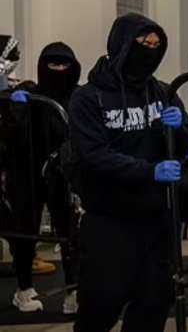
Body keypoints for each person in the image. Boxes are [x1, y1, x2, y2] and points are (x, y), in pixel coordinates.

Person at [70, 14, 188, 332]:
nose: (150, 51)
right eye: (143, 43)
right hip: (109, 220)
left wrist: (180, 129)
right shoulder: (88, 98)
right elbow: (94, 155)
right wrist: (149, 171)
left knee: (153, 303)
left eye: (156, 45)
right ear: (122, 44)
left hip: (155, 219)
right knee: (100, 305)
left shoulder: (164, 92)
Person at [4, 42, 82, 314]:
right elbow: (12, 131)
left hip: (64, 175)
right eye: (53, 65)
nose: (59, 71)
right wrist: (16, 106)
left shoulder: (78, 98)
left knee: (70, 232)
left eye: (64, 66)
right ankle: (23, 289)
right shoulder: (31, 94)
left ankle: (73, 291)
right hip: (27, 173)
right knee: (24, 232)